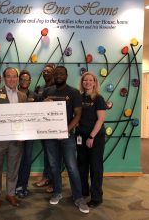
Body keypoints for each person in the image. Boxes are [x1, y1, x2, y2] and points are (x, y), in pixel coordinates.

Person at [42, 65, 89, 214]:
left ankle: (78, 197)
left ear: (66, 75)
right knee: (54, 165)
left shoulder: (73, 92)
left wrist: (66, 130)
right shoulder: (47, 91)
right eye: (56, 73)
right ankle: (57, 192)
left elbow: (78, 115)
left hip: (67, 136)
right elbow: (41, 113)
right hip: (50, 136)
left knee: (72, 167)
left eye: (61, 73)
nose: (58, 76)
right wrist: (44, 104)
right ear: (53, 76)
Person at [0, 67, 27, 211]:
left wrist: (26, 133)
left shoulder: (22, 96)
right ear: (4, 78)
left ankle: (10, 194)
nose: (12, 79)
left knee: (13, 169)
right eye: (9, 76)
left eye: (14, 76)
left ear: (17, 78)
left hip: (16, 140)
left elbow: (26, 117)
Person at [76, 71, 106, 208]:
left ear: (94, 83)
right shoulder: (79, 97)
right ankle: (83, 191)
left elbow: (101, 119)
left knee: (95, 167)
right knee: (82, 165)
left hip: (95, 138)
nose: (87, 82)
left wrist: (92, 136)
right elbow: (76, 115)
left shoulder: (98, 98)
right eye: (85, 80)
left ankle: (96, 197)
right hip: (80, 137)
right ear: (82, 82)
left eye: (90, 80)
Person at [15, 70, 39, 198]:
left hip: (30, 133)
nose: (24, 81)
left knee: (27, 160)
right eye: (22, 79)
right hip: (15, 133)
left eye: (27, 79)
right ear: (19, 81)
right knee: (15, 160)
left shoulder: (34, 95)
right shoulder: (13, 94)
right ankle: (14, 186)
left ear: (30, 81)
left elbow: (41, 111)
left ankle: (23, 185)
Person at [33, 64, 55, 193]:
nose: (46, 72)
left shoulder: (58, 87)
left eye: (49, 71)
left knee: (54, 155)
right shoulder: (39, 88)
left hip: (54, 127)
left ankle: (54, 181)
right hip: (42, 126)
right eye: (44, 71)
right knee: (47, 153)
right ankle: (46, 177)